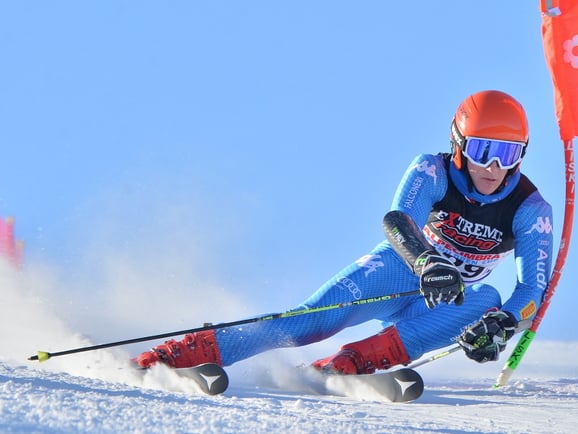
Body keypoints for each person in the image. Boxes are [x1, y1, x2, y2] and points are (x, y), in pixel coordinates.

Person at [134, 90, 554, 374]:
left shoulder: (530, 209)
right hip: (402, 271)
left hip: (448, 297)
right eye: (484, 151)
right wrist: (426, 262)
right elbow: (398, 221)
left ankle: (349, 365)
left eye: (507, 154)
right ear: (459, 143)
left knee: (488, 300)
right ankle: (182, 354)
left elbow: (532, 290)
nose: (493, 169)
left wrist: (502, 324)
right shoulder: (433, 169)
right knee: (307, 324)